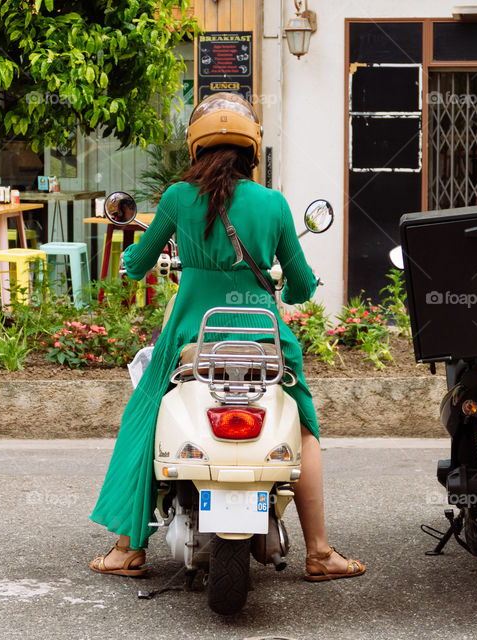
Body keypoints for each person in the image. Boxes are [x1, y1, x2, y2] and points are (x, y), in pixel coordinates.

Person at [89, 93, 365, 582]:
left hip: (191, 341)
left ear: (196, 147)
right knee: (303, 426)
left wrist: (145, 252)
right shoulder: (274, 204)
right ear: (251, 148)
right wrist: (280, 279)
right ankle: (319, 551)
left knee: (145, 416)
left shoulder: (176, 198)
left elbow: (135, 266)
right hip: (264, 345)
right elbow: (301, 287)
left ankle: (127, 549)